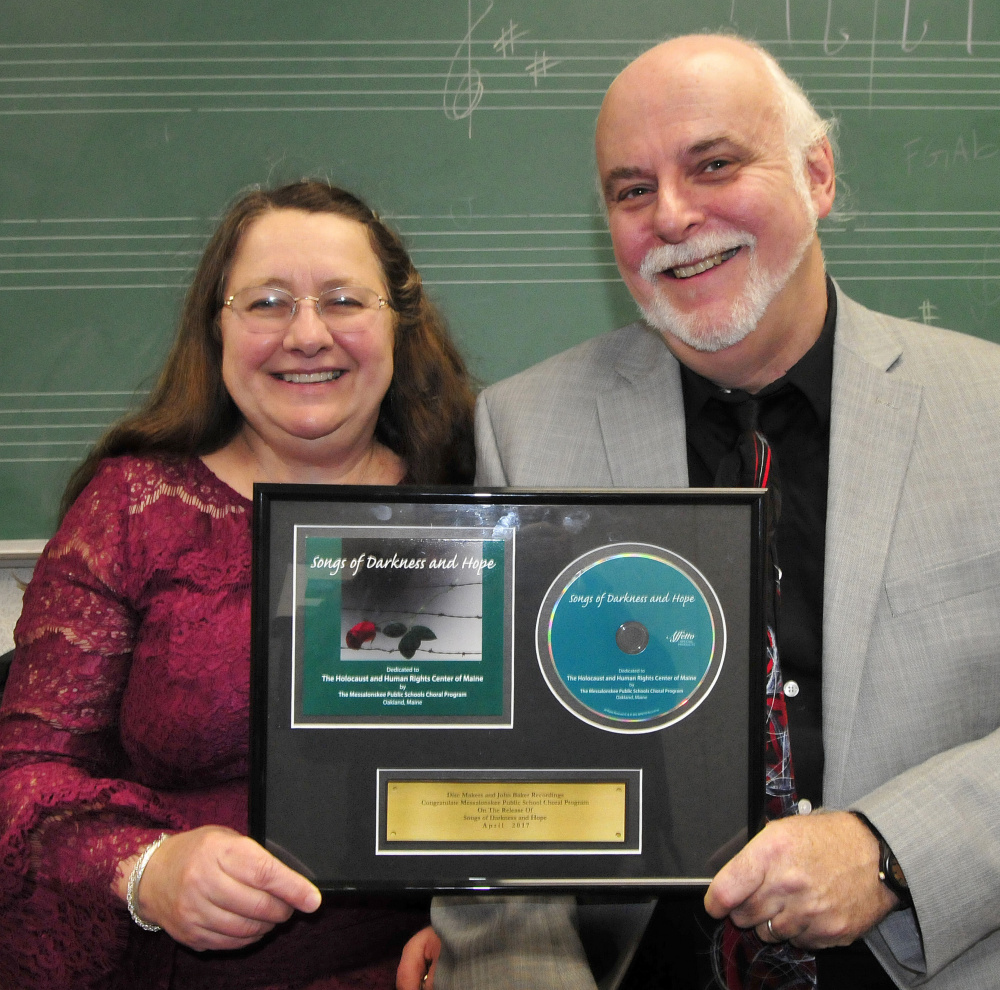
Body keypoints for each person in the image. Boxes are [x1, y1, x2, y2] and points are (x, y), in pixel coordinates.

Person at [403, 32, 1000, 990]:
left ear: (817, 176)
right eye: (632, 190)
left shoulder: (990, 410)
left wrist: (891, 853)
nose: (673, 216)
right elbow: (489, 790)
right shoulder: (524, 427)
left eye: (714, 165)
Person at [0, 178, 476, 989]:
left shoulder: (474, 504)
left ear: (398, 323)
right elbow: (26, 776)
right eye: (266, 302)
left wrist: (474, 933)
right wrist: (147, 870)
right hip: (184, 968)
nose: (306, 334)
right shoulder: (131, 512)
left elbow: (537, 771)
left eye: (342, 300)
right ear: (215, 329)